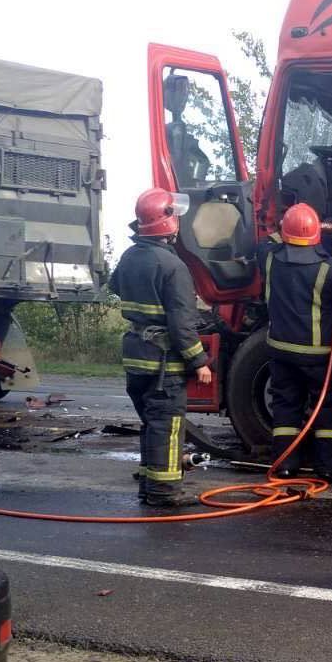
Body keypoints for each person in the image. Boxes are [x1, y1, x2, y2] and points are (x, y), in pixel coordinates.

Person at [112, 187, 212, 507]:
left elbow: (115, 286)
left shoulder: (129, 256)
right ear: (167, 223)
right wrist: (200, 362)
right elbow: (182, 325)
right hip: (162, 362)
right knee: (167, 426)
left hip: (135, 355)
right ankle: (164, 491)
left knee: (151, 423)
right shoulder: (173, 266)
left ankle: (148, 484)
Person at [258, 202, 332, 481]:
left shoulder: (269, 259)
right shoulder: (327, 268)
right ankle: (329, 467)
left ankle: (286, 465)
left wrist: (284, 228)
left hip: (280, 350)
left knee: (286, 405)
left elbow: (266, 242)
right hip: (318, 354)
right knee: (326, 407)